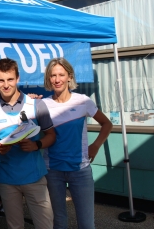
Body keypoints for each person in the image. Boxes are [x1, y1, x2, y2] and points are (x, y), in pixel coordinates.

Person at [0, 58, 56, 229]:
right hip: (7, 180)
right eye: (1, 80)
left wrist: (36, 145)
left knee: (45, 225)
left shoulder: (37, 105)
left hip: (35, 177)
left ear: (17, 78)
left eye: (10, 79)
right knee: (14, 226)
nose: (6, 84)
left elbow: (52, 136)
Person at [42, 58, 112, 229]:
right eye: (53, 75)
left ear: (69, 76)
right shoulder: (42, 104)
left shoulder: (83, 101)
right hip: (53, 170)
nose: (57, 79)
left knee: (86, 223)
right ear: (48, 78)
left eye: (61, 75)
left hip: (80, 170)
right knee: (59, 221)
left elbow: (107, 124)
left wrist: (95, 146)